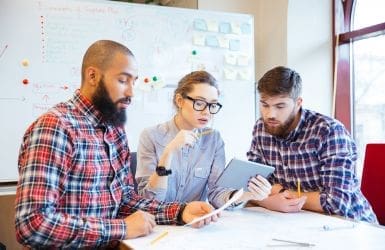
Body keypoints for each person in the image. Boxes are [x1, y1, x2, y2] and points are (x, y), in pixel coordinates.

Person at [15, 40, 221, 249]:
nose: (131, 92)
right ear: (92, 76)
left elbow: (126, 201)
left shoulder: (116, 131)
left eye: (134, 82)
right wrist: (122, 228)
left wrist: (180, 211)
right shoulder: (56, 127)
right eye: (123, 81)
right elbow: (33, 224)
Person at [247, 66, 377, 223]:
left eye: (280, 106)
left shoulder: (329, 131)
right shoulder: (262, 128)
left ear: (298, 103)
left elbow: (336, 202)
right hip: (296, 221)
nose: (270, 114)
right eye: (264, 105)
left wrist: (280, 192)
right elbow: (252, 184)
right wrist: (271, 198)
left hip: (349, 224)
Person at [136, 70, 272, 209]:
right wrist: (168, 153)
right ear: (180, 101)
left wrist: (247, 195)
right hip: (159, 223)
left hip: (195, 223)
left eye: (213, 105)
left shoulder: (213, 139)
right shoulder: (151, 136)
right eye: (200, 103)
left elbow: (216, 194)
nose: (207, 112)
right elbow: (148, 201)